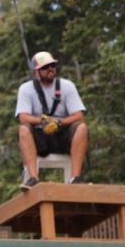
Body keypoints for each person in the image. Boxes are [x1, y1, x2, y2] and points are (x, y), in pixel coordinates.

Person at [15, 51, 88, 191]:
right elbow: (23, 117)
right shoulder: (26, 89)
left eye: (52, 65)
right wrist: (42, 122)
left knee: (82, 127)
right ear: (36, 72)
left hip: (62, 136)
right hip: (40, 139)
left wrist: (59, 123)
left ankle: (76, 178)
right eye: (46, 67)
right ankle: (33, 178)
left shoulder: (67, 86)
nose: (50, 69)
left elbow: (78, 115)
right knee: (23, 129)